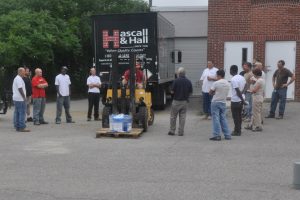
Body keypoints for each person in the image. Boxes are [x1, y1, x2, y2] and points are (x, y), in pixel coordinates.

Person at [168, 67, 193, 136]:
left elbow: (172, 92)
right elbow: (190, 93)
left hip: (176, 101)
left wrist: (170, 91)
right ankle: (181, 132)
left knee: (173, 117)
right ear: (185, 74)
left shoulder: (176, 81)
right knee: (182, 117)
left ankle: (172, 131)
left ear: (178, 73)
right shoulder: (188, 81)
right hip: (184, 102)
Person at [209, 69, 231, 141]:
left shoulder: (216, 83)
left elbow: (210, 92)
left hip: (215, 102)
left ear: (218, 75)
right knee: (223, 118)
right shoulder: (227, 83)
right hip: (223, 102)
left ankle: (217, 135)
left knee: (216, 118)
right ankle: (227, 135)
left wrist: (214, 93)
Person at [12, 67, 30, 132]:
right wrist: (24, 97)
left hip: (16, 98)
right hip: (20, 99)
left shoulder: (17, 78)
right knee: (22, 112)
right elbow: (20, 88)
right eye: (23, 71)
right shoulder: (19, 79)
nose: (24, 73)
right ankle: (22, 127)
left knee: (17, 113)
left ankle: (17, 126)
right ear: (20, 72)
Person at [230, 65, 246, 136]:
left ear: (231, 70)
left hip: (236, 100)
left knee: (235, 116)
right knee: (239, 115)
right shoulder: (242, 77)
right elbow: (246, 85)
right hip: (241, 98)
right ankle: (239, 129)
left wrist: (242, 99)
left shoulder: (233, 79)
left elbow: (237, 90)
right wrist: (243, 92)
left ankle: (237, 131)